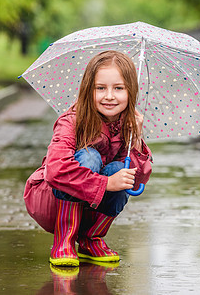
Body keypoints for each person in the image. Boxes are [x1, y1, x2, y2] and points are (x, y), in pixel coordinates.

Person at [24, 50, 153, 267]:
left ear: (131, 91)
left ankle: (90, 239)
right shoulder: (72, 121)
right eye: (100, 88)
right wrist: (106, 183)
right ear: (87, 90)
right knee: (89, 156)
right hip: (51, 203)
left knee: (121, 170)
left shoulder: (129, 125)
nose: (109, 96)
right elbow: (56, 170)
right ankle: (64, 239)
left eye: (119, 88)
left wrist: (137, 138)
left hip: (91, 208)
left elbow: (136, 181)